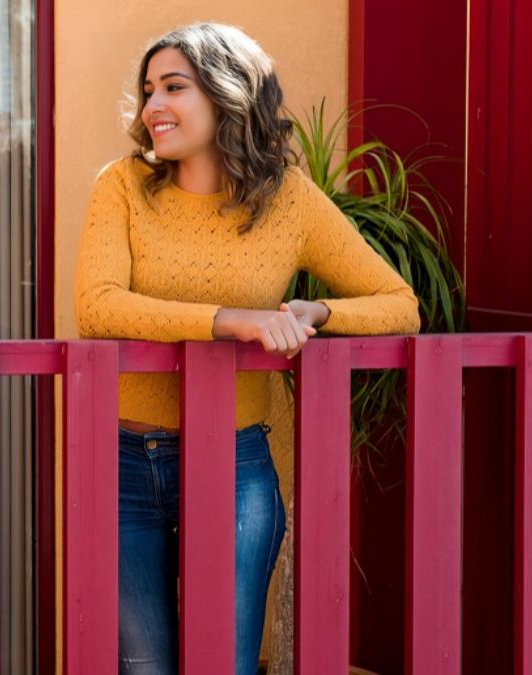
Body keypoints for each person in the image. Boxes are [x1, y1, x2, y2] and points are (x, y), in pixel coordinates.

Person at [73, 22, 421, 675]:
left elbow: (400, 303)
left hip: (236, 467)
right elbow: (97, 306)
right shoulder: (121, 186)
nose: (152, 106)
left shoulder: (288, 200)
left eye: (174, 87)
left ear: (229, 93)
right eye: (149, 89)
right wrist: (229, 319)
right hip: (124, 461)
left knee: (224, 663)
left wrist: (315, 309)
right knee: (143, 666)